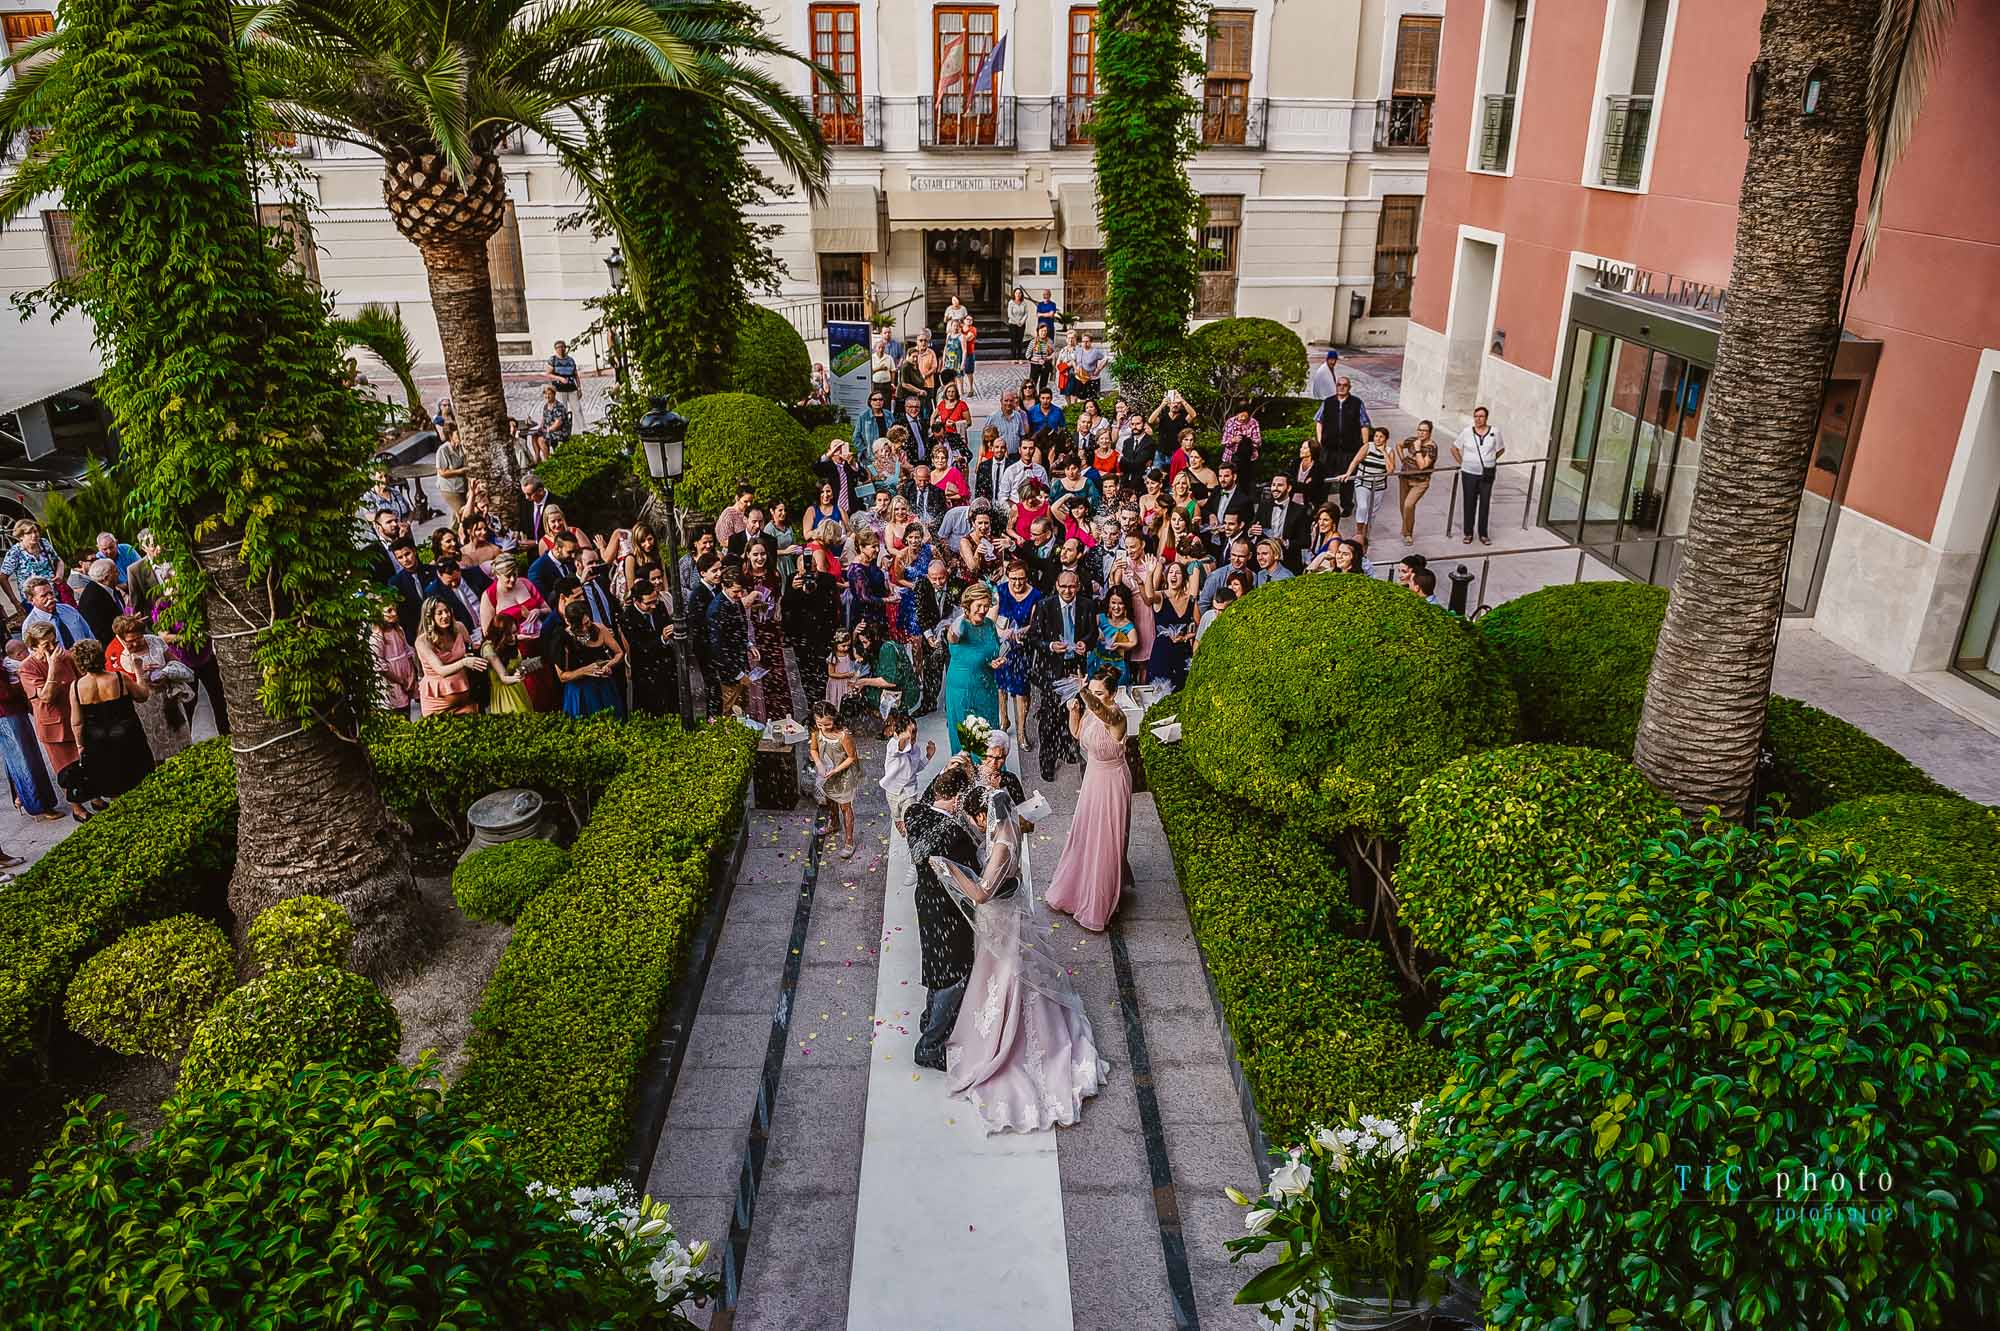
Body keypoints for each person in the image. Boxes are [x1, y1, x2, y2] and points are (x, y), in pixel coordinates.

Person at [939, 782, 1109, 1133]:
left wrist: (948, 869)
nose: (975, 824)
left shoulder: (1000, 847)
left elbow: (982, 894)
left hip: (1002, 922)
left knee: (1010, 980)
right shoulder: (1011, 826)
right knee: (1007, 978)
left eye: (976, 818)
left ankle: (1011, 1045)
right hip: (1011, 917)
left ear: (985, 813)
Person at [905, 761, 983, 1070]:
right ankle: (930, 1045)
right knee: (953, 976)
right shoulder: (954, 835)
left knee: (938, 968)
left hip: (927, 903)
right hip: (948, 911)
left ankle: (929, 1018)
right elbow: (974, 876)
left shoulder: (915, 813)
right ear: (955, 799)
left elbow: (928, 801)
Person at [1045, 668, 1132, 931]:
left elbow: (1100, 712)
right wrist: (1073, 711)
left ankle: (1101, 899)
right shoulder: (1090, 710)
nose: (1094, 698)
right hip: (1093, 777)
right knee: (1085, 834)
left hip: (1112, 781)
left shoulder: (1115, 716)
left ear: (1113, 694)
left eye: (1099, 693)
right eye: (1091, 691)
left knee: (1106, 839)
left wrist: (1083, 692)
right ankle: (1077, 888)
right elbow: (1078, 734)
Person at [61, 637, 155, 809]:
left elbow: (77, 722)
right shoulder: (119, 678)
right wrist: (139, 671)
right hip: (128, 735)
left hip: (97, 742)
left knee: (113, 785)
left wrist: (80, 745)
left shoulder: (76, 687)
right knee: (139, 778)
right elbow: (142, 696)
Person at [1028, 570, 1094, 783]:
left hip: (1075, 668)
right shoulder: (1045, 606)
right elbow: (1033, 637)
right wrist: (1049, 645)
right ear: (1057, 585)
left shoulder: (1086, 605)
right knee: (1050, 717)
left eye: (1072, 587)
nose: (1068, 591)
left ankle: (1067, 749)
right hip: (1051, 669)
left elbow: (1092, 633)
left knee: (1073, 712)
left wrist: (1086, 643)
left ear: (1078, 587)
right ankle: (1047, 760)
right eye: (1064, 586)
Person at [19, 622, 85, 819]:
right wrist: (53, 667)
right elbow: (46, 696)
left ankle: (95, 796)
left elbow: (81, 678)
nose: (52, 648)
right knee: (67, 769)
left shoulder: (65, 656)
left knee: (85, 761)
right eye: (45, 645)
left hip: (76, 716)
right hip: (55, 726)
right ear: (33, 646)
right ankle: (77, 807)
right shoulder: (27, 668)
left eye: (53, 642)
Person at [105, 613, 192, 759]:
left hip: (168, 698)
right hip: (145, 708)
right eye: (130, 641)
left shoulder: (155, 642)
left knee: (182, 742)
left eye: (139, 638)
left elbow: (175, 661)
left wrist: (166, 672)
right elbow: (117, 685)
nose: (136, 644)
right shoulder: (117, 654)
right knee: (155, 749)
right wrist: (140, 673)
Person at [480, 555, 555, 712]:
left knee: (548, 692)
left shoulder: (526, 583)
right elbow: (489, 633)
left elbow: (547, 608)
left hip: (538, 643)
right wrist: (515, 637)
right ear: (497, 575)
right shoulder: (490, 596)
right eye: (508, 576)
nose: (512, 580)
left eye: (515, 574)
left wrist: (537, 611)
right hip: (515, 653)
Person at [0, 640, 61, 820]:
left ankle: (24, 799)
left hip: (12, 712)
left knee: (18, 758)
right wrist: (22, 684)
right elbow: (4, 694)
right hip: (7, 714)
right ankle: (39, 805)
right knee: (24, 760)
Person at [943, 584, 1003, 755]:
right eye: (979, 606)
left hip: (987, 689)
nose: (983, 610)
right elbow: (952, 636)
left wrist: (994, 662)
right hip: (963, 692)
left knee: (989, 737)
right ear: (968, 606)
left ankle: (989, 774)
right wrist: (954, 626)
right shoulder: (960, 626)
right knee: (968, 742)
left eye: (986, 605)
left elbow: (992, 653)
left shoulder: (990, 625)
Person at [992, 559, 1041, 749]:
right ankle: (1004, 720)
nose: (1017, 583)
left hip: (1022, 647)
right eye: (1013, 579)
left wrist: (1023, 631)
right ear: (1008, 576)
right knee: (1000, 685)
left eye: (1021, 579)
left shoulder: (1035, 595)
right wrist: (1001, 632)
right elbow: (992, 619)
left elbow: (1035, 623)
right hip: (1002, 645)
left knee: (1021, 690)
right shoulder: (1000, 590)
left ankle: (1021, 731)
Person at [414, 596, 485, 716]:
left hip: (466, 697)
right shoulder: (422, 642)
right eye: (439, 613)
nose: (445, 616)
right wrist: (464, 662)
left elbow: (470, 649)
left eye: (447, 611)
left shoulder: (459, 627)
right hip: (438, 705)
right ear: (430, 617)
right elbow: (441, 670)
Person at [555, 596, 625, 718]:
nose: (585, 628)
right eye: (579, 626)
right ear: (568, 622)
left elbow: (619, 653)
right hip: (580, 692)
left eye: (587, 623)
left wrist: (608, 665)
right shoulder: (561, 640)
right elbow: (562, 676)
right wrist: (585, 671)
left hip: (604, 686)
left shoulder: (599, 629)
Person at [809, 700, 862, 859]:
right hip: (826, 770)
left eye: (827, 724)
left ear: (834, 719)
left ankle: (849, 841)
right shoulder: (816, 732)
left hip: (843, 774)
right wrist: (818, 763)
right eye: (820, 724)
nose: (824, 728)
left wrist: (835, 771)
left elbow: (852, 757)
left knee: (845, 806)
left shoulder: (843, 736)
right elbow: (813, 749)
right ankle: (834, 823)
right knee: (829, 799)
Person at [620, 580, 676, 717]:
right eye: (648, 603)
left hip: (667, 666)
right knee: (650, 710)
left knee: (672, 706)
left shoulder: (660, 606)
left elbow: (668, 626)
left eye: (654, 601)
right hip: (645, 670)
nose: (653, 606)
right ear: (636, 601)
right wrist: (662, 639)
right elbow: (638, 646)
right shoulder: (628, 617)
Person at [1453, 405, 1505, 546]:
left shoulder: (1495, 432)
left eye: (1481, 416)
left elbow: (1500, 449)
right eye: (1476, 416)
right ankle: (1468, 533)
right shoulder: (1467, 432)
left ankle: (1483, 534)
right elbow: (1455, 448)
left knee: (1485, 503)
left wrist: (1490, 460)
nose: (1478, 419)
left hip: (1487, 472)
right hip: (1469, 472)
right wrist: (1463, 463)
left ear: (1486, 418)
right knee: (1469, 502)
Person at [1337, 425, 1396, 550]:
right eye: (1376, 436)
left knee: (1372, 512)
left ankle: (1366, 535)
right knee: (1362, 507)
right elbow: (1355, 461)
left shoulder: (1390, 451)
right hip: (1362, 482)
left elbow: (1390, 470)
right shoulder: (1368, 446)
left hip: (1378, 485)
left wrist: (1384, 452)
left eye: (1381, 437)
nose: (1378, 439)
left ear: (1386, 439)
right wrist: (1348, 473)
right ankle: (1358, 534)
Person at [706, 566, 754, 716]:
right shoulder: (716, 609)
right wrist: (738, 674)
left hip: (740, 662)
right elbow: (717, 649)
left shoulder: (735, 599)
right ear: (724, 586)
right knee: (730, 710)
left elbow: (740, 626)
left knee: (742, 707)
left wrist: (749, 644)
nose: (740, 596)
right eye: (735, 592)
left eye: (741, 591)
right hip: (728, 672)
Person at [1145, 560, 1197, 691]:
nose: (1174, 575)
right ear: (1167, 577)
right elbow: (1149, 595)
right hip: (1162, 652)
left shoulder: (1190, 600)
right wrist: (1150, 573)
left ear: (1184, 578)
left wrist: (1185, 637)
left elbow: (1200, 627)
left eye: (1178, 573)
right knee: (1160, 692)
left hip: (1182, 653)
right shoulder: (1161, 596)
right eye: (1171, 572)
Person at [880, 710, 932, 835]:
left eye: (915, 732)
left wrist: (928, 756)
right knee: (896, 816)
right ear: (899, 733)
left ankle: (910, 833)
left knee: (909, 819)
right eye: (910, 732)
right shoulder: (893, 745)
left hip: (909, 791)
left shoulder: (916, 749)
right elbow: (900, 748)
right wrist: (905, 736)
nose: (913, 736)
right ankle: (899, 823)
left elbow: (916, 767)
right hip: (893, 790)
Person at [1259, 471, 1311, 571]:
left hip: (1289, 563)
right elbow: (1254, 527)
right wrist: (1251, 531)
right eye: (1273, 485)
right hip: (1264, 563)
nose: (1275, 488)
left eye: (1280, 485)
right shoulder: (1264, 507)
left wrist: (1284, 542)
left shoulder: (1300, 510)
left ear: (1289, 488)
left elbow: (1306, 541)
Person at [1315, 375, 1370, 468]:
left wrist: (1364, 445)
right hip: (1329, 450)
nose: (1341, 387)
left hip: (1349, 450)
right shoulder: (1327, 402)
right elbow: (1319, 421)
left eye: (1345, 385)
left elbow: (1364, 425)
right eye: (1339, 385)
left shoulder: (1357, 403)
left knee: (1347, 479)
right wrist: (1320, 440)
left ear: (1349, 387)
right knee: (1327, 477)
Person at [77, 559, 123, 644]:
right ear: (106, 578)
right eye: (115, 572)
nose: (118, 574)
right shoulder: (93, 600)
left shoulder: (110, 587)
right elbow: (103, 633)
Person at [547, 339, 583, 428]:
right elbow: (548, 374)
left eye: (562, 347)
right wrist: (560, 378)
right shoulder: (553, 360)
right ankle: (564, 428)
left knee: (577, 409)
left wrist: (579, 388)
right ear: (555, 349)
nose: (561, 349)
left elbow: (576, 375)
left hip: (571, 387)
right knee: (563, 409)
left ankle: (583, 429)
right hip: (559, 388)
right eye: (558, 347)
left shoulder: (570, 360)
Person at [1004, 288, 1031, 360]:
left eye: (1019, 293)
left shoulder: (1024, 303)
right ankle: (1013, 358)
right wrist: (1017, 322)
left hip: (1022, 324)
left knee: (1020, 341)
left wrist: (1022, 321)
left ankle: (1019, 357)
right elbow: (1010, 314)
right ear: (1014, 294)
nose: (1018, 295)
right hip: (1013, 324)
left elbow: (1026, 313)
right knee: (1014, 341)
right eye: (1016, 293)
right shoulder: (1011, 302)